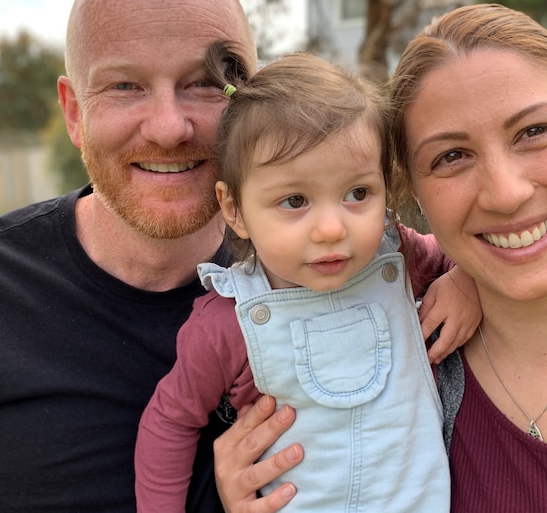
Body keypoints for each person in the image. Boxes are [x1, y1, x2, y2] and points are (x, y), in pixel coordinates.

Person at [213, 3, 547, 513]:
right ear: (412, 195)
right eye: (452, 157)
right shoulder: (385, 365)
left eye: (535, 132)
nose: (506, 194)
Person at [0, 0, 257, 512]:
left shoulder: (332, 284)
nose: (169, 126)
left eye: (205, 84)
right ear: (75, 112)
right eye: (125, 86)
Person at [134, 47, 480, 512]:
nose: (332, 229)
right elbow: (170, 423)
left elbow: (471, 256)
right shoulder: (227, 322)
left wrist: (467, 280)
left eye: (358, 193)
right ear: (233, 208)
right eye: (295, 200)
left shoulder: (398, 257)